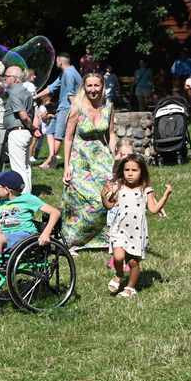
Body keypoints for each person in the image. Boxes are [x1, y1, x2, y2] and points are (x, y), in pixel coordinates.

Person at [0, 170, 60, 292]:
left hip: (24, 236)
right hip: (4, 237)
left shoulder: (28, 199)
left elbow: (55, 212)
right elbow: (0, 226)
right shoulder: (0, 203)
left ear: (7, 190)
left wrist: (46, 233)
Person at [102, 155, 172, 298]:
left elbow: (153, 209)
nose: (130, 173)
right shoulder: (119, 186)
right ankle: (119, 274)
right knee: (118, 257)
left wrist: (165, 196)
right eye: (127, 169)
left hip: (136, 232)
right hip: (119, 229)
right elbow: (109, 205)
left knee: (133, 262)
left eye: (134, 170)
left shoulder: (146, 189)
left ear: (142, 172)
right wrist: (104, 197)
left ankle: (130, 288)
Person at [62, 72, 116, 253]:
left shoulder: (108, 106)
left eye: (96, 85)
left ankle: (109, 239)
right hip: (80, 159)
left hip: (102, 158)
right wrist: (67, 166)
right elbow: (68, 138)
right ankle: (73, 240)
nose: (93, 90)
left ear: (102, 86)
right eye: (89, 86)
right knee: (86, 199)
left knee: (109, 197)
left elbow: (111, 133)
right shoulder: (77, 107)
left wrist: (115, 155)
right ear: (84, 88)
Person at [35, 52, 83, 165]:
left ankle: (50, 162)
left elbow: (71, 94)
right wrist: (36, 96)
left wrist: (74, 112)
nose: (56, 63)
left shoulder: (69, 74)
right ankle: (52, 157)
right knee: (50, 130)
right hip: (62, 107)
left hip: (67, 108)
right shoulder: (65, 73)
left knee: (58, 135)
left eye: (56, 61)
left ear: (60, 61)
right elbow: (51, 88)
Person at [2, 65, 39, 194]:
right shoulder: (26, 92)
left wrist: (32, 128)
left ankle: (23, 196)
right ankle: (28, 193)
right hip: (25, 133)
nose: (4, 79)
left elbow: (23, 115)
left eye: (6, 77)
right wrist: (32, 129)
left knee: (18, 168)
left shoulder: (14, 93)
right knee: (26, 166)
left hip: (17, 132)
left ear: (15, 79)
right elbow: (33, 113)